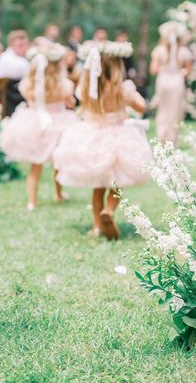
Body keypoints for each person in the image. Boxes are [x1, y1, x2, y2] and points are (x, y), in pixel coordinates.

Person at [54, 41, 151, 240]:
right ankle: (110, 210)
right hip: (118, 136)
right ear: (117, 67)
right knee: (117, 182)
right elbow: (142, 107)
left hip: (93, 135)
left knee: (98, 186)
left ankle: (97, 226)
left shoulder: (87, 87)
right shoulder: (122, 89)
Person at [0, 42, 77, 210]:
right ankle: (58, 192)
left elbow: (30, 101)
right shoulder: (64, 85)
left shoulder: (29, 84)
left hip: (34, 122)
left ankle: (32, 201)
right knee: (58, 161)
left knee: (35, 165)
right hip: (60, 123)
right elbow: (70, 103)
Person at [149, 21, 192, 145]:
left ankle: (162, 134)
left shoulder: (159, 50)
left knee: (163, 109)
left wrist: (165, 71)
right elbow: (188, 71)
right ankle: (173, 138)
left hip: (163, 81)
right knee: (176, 110)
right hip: (177, 83)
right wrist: (178, 73)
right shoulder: (184, 51)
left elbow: (153, 70)